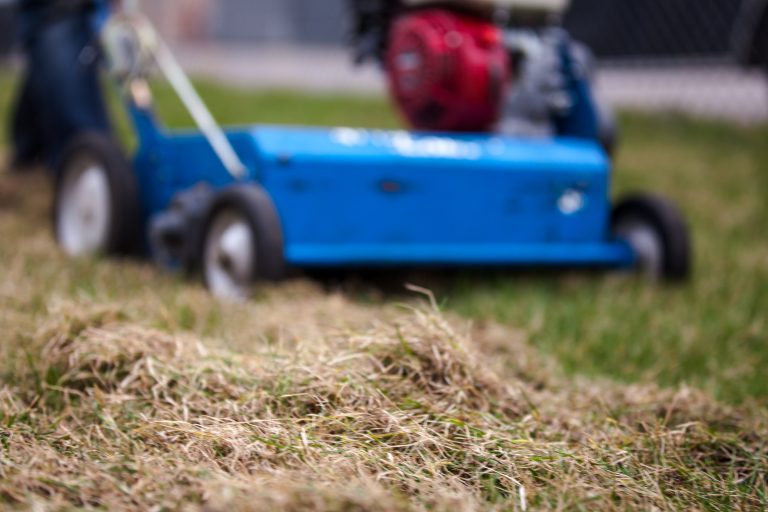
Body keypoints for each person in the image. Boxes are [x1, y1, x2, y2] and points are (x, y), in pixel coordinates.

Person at [9, 0, 115, 172]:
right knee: (84, 138)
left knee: (51, 66)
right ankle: (86, 167)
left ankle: (29, 145)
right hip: (59, 13)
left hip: (80, 15)